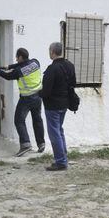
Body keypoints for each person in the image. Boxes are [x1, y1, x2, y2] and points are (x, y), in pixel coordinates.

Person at [0, 48, 45, 157]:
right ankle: (41, 143)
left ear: (21, 57)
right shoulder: (36, 62)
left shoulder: (19, 71)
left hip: (26, 99)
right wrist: (9, 66)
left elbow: (8, 76)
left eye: (17, 57)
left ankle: (26, 144)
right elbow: (22, 66)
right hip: (38, 97)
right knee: (37, 119)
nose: (16, 59)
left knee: (19, 121)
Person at [41, 42, 76, 171]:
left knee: (54, 132)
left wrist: (38, 92)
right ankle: (63, 157)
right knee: (59, 130)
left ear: (52, 52)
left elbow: (46, 91)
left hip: (52, 106)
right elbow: (73, 84)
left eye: (49, 51)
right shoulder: (70, 65)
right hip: (65, 104)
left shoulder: (52, 69)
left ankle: (61, 161)